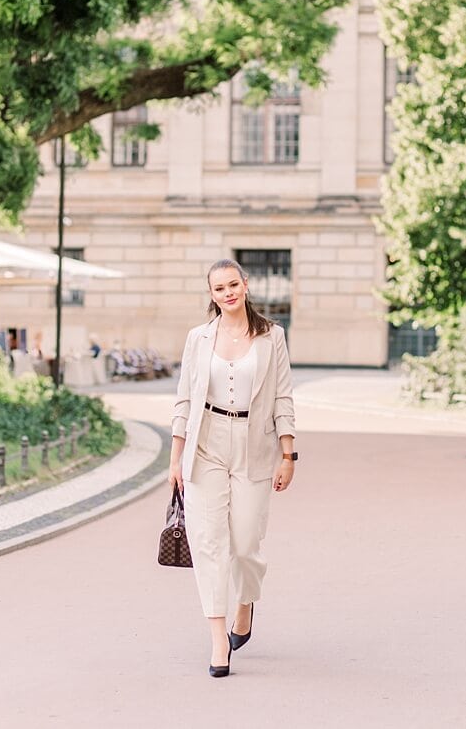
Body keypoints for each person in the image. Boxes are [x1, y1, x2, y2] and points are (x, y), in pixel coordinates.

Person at [169, 258, 298, 678]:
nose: (227, 293)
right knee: (208, 545)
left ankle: (245, 607)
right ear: (211, 295)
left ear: (245, 285)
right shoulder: (197, 339)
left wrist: (288, 452)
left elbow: (283, 397)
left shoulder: (272, 336)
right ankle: (218, 640)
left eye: (232, 284)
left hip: (254, 446)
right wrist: (176, 456)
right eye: (218, 288)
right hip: (205, 444)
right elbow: (184, 399)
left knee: (245, 544)